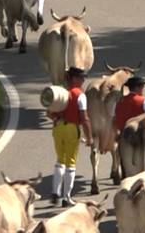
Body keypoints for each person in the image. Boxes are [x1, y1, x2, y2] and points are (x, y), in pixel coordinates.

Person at [48, 66, 93, 207]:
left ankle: (55, 191)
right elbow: (84, 118)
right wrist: (89, 137)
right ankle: (66, 197)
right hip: (72, 129)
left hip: (57, 128)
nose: (83, 80)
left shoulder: (61, 93)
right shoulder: (80, 95)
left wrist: (58, 118)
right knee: (71, 162)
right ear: (74, 78)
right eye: (81, 78)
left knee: (60, 160)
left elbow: (49, 113)